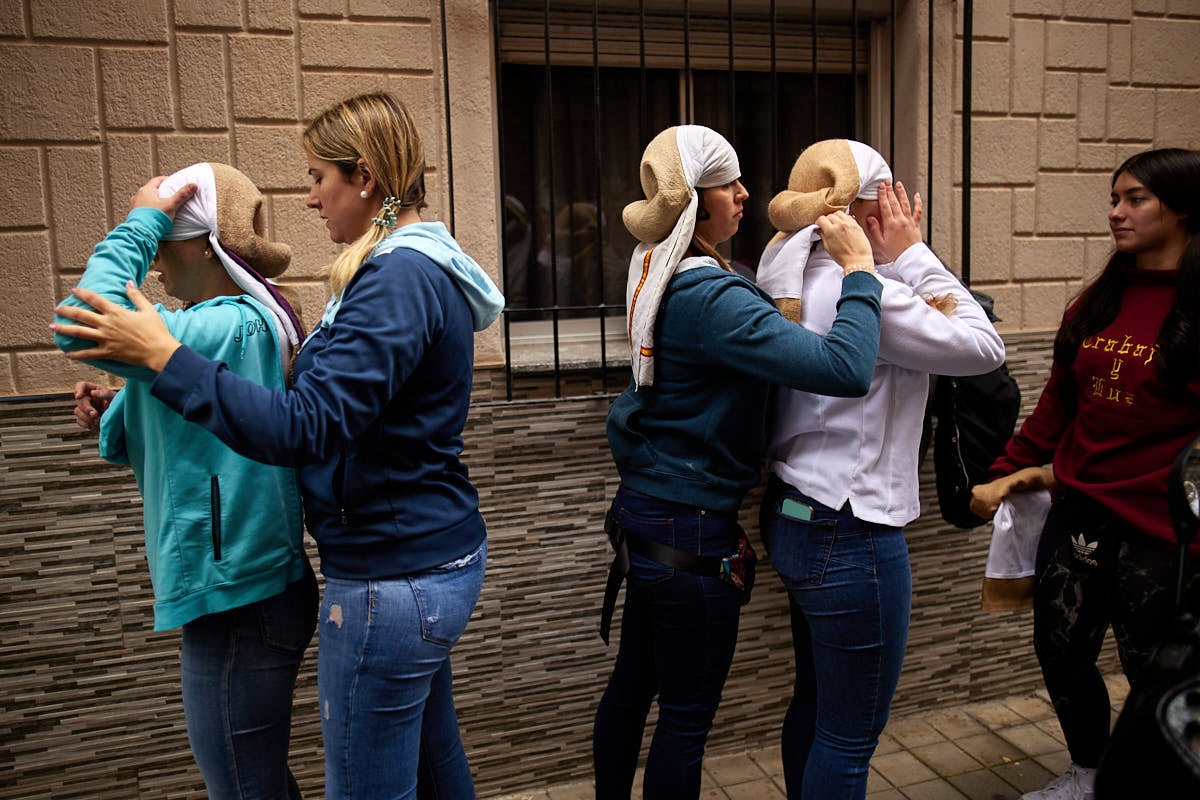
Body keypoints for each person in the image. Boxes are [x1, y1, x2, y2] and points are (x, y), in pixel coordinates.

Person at [51, 92, 505, 800]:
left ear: (365, 178)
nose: (310, 199)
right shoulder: (408, 267)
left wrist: (167, 360)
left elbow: (306, 425)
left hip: (394, 578)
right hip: (420, 557)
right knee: (432, 766)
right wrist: (139, 396)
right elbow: (341, 403)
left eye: (320, 178)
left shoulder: (398, 278)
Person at [593, 124, 886, 800]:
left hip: (649, 516)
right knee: (686, 720)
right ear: (695, 200)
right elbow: (844, 368)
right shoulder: (713, 298)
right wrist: (860, 271)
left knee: (634, 686)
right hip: (689, 528)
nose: (746, 193)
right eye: (730, 183)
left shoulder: (658, 267)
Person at [54, 162, 318, 800]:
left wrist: (138, 221)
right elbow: (185, 421)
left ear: (203, 241)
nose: (152, 264)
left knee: (242, 789)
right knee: (255, 781)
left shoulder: (229, 322)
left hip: (238, 601)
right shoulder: (228, 323)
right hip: (240, 589)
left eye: (162, 243)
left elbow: (80, 321)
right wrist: (120, 402)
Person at [754, 139, 1006, 800]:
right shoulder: (866, 291)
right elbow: (984, 347)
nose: (898, 208)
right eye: (889, 195)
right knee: (849, 735)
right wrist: (913, 253)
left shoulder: (792, 272)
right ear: (863, 211)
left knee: (813, 705)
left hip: (795, 510)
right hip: (852, 529)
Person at [970, 147, 1200, 800]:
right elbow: (1058, 406)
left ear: (1181, 209)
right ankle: (1088, 772)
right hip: (1081, 507)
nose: (1115, 213)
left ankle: (1152, 778)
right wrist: (1005, 468)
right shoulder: (1097, 302)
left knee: (1150, 666)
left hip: (1162, 527)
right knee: (1062, 649)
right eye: (1114, 198)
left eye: (1135, 200)